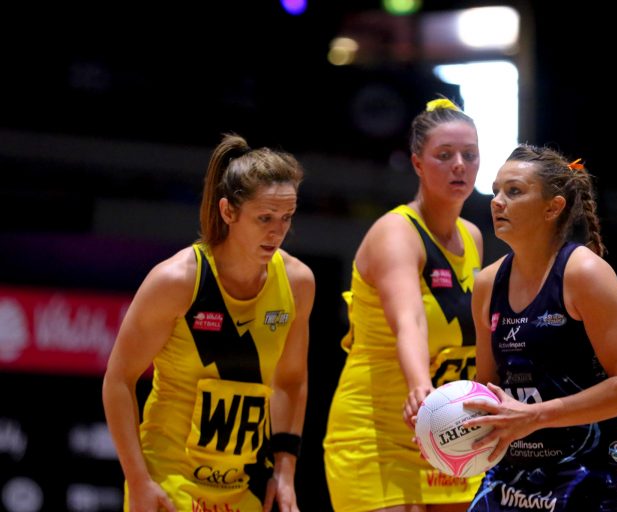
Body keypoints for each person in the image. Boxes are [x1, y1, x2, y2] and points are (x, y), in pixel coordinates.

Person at [102, 133, 315, 512]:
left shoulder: (298, 283)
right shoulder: (176, 281)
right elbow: (119, 380)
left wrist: (285, 470)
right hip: (171, 480)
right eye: (264, 218)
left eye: (286, 218)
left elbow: (291, 380)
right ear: (228, 212)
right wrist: (138, 480)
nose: (277, 232)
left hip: (246, 485)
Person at [463, 144, 617, 511]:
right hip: (509, 476)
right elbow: (487, 390)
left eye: (514, 191)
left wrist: (536, 416)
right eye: (496, 190)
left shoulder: (585, 273)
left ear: (553, 207)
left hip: (583, 471)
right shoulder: (487, 283)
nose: (497, 201)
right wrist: (446, 429)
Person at [323, 98, 484, 512]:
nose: (460, 165)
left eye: (469, 154)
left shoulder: (472, 237)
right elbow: (409, 321)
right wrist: (419, 385)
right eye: (444, 156)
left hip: (449, 431)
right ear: (417, 163)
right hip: (377, 432)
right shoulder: (396, 232)